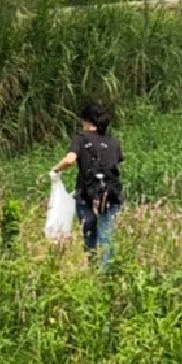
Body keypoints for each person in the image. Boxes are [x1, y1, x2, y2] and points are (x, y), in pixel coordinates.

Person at [52, 103, 124, 269]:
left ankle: (92, 268)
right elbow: (116, 163)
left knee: (89, 233)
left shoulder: (81, 138)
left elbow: (70, 159)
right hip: (111, 193)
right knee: (106, 236)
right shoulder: (114, 142)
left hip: (87, 194)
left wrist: (56, 170)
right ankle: (107, 274)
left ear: (86, 121)